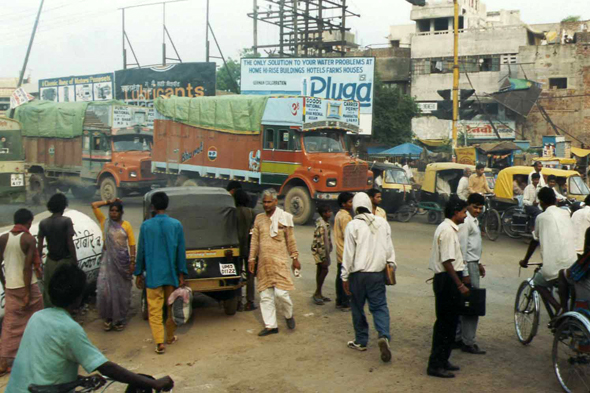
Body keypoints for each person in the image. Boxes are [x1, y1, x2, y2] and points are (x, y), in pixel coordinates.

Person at [6, 264, 174, 392]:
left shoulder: (37, 318)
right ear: (79, 297)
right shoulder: (69, 328)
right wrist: (154, 383)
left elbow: (44, 369)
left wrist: (79, 380)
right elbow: (106, 367)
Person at [341, 193, 396, 363]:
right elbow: (389, 249)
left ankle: (361, 341)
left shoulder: (353, 225)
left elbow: (348, 254)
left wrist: (344, 276)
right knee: (379, 306)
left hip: (358, 274)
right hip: (377, 274)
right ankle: (384, 335)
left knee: (357, 307)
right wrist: (391, 266)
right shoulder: (382, 223)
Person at [134, 191, 188, 355]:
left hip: (153, 276)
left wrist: (138, 273)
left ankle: (159, 342)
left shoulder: (146, 226)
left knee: (155, 310)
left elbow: (141, 251)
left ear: (152, 206)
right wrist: (181, 273)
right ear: (166, 205)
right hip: (170, 275)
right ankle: (170, 337)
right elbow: (180, 252)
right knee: (170, 308)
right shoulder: (176, 225)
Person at [427, 197, 469, 379]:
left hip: (449, 278)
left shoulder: (448, 229)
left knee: (450, 323)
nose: (465, 215)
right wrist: (459, 284)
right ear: (456, 212)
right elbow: (447, 261)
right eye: (464, 212)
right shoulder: (447, 231)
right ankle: (436, 364)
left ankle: (443, 359)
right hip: (447, 280)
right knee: (445, 323)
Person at [248, 189, 301, 337]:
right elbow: (255, 241)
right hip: (264, 264)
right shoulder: (259, 219)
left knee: (281, 293)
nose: (266, 205)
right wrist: (251, 258)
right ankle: (271, 326)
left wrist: (295, 258)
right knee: (265, 295)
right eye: (264, 202)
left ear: (276, 201)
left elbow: (291, 240)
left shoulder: (285, 217)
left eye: (269, 202)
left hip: (280, 262)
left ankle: (288, 315)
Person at [519, 187, 577, 316]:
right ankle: (566, 313)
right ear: (555, 200)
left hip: (554, 265)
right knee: (566, 283)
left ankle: (558, 308)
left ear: (541, 203)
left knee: (538, 282)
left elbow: (535, 241)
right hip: (572, 263)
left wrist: (525, 260)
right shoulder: (566, 213)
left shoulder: (541, 217)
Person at [0, 209, 44, 376]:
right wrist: (26, 293)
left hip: (11, 286)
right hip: (28, 286)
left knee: (10, 324)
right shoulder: (28, 239)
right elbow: (27, 267)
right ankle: (37, 353)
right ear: (28, 222)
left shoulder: (3, 238)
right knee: (36, 319)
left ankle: (3, 361)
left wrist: (5, 283)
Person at [92, 198, 136, 332]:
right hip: (107, 262)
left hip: (122, 263)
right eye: (111, 211)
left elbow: (132, 244)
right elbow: (94, 205)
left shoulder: (126, 225)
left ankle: (120, 319)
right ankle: (108, 318)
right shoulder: (104, 222)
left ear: (121, 212)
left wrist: (132, 261)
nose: (113, 213)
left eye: (116, 211)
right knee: (106, 290)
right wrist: (109, 201)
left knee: (121, 291)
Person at [456, 194, 486, 355]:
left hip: (473, 264)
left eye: (480, 208)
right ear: (468, 205)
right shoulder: (466, 222)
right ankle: (468, 341)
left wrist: (479, 263)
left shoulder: (474, 220)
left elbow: (473, 246)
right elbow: (462, 249)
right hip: (467, 266)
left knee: (467, 303)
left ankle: (460, 337)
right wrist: (466, 272)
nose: (478, 210)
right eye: (475, 207)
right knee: (472, 305)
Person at [37, 193, 78, 308]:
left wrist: (38, 263)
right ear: (63, 206)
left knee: (49, 290)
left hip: (50, 261)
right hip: (64, 260)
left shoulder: (43, 223)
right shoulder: (66, 221)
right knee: (65, 290)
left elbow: (39, 246)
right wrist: (75, 260)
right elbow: (70, 243)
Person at [234, 188, 257, 311]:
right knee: (250, 275)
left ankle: (238, 301)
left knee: (237, 274)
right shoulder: (252, 213)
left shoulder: (233, 212)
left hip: (236, 248)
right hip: (249, 247)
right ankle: (250, 301)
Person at [334, 192, 354, 311]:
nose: (352, 204)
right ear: (343, 204)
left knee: (340, 275)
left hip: (339, 250)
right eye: (350, 202)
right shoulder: (345, 217)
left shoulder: (339, 214)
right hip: (345, 250)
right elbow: (348, 235)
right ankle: (345, 301)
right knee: (345, 277)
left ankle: (339, 300)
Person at [311, 204, 333, 305]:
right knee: (324, 269)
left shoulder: (325, 223)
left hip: (323, 251)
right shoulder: (321, 225)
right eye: (328, 212)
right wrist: (323, 256)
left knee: (320, 270)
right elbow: (320, 242)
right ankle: (317, 293)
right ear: (324, 213)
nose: (330, 213)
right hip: (320, 251)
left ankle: (318, 293)